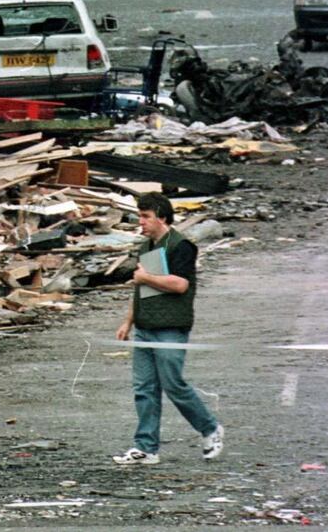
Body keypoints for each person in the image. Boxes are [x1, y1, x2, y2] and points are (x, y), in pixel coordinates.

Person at [113, 193, 223, 466]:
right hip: (146, 327)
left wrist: (146, 277)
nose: (141, 222)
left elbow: (180, 285)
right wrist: (128, 321)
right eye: (140, 216)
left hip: (170, 327)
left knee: (173, 384)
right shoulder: (148, 246)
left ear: (162, 217)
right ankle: (146, 447)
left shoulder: (181, 246)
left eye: (146, 216)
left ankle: (210, 428)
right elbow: (144, 290)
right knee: (144, 388)